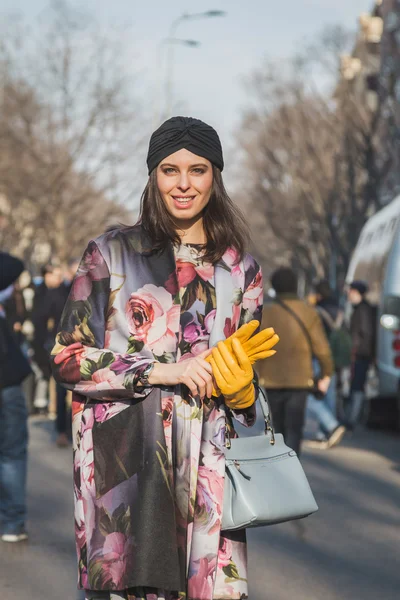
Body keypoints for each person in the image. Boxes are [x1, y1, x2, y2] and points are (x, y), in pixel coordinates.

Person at [50, 116, 278, 600]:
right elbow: (66, 356)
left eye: (197, 170)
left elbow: (249, 385)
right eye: (170, 170)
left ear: (215, 177)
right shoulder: (112, 253)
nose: (183, 183)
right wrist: (158, 370)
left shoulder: (242, 271)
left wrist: (243, 395)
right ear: (153, 175)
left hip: (208, 471)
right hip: (126, 462)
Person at [257, 267, 334, 456]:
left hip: (271, 378)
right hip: (300, 379)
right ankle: (294, 465)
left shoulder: (266, 313)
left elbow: (256, 346)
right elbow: (322, 348)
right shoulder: (308, 312)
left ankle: (280, 465)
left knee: (278, 427)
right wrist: (326, 373)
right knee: (295, 427)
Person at [0, 253, 32, 543]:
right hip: (7, 379)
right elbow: (13, 264)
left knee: (11, 452)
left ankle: (11, 522)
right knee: (11, 453)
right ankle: (11, 522)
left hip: (8, 379)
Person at [306, 280, 347, 449]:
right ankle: (326, 435)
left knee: (314, 393)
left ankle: (330, 427)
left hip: (319, 356)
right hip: (335, 355)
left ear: (319, 294)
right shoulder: (339, 309)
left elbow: (314, 335)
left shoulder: (317, 311)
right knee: (329, 394)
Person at [31, 264, 64, 411]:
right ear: (47, 275)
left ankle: (53, 407)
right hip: (45, 340)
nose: (59, 279)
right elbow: (40, 318)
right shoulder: (40, 293)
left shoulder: (60, 291)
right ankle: (44, 405)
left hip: (56, 338)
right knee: (44, 373)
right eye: (56, 275)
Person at [347, 280, 375, 428]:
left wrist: (355, 349)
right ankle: (354, 417)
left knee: (357, 386)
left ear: (357, 293)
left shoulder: (362, 310)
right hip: (360, 354)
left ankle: (353, 419)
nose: (348, 294)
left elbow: (365, 333)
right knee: (357, 386)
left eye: (351, 291)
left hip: (360, 355)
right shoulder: (361, 309)